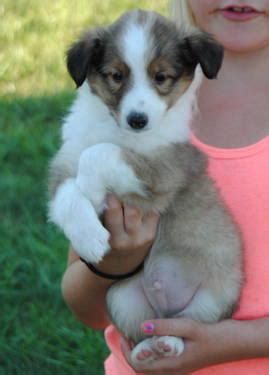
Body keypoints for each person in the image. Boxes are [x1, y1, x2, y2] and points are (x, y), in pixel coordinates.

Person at [61, 0, 269, 373]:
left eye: (160, 79)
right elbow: (84, 307)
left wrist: (226, 344)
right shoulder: (119, 121)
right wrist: (113, 265)